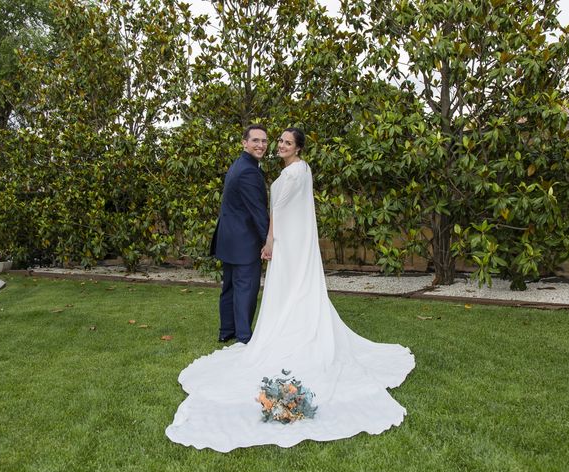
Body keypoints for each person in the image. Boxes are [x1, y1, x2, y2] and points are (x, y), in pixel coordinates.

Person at [167, 128, 415, 452]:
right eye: (276, 142)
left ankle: (248, 332)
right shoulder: (270, 171)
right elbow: (270, 212)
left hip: (290, 243)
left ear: (297, 148)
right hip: (280, 242)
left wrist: (269, 240)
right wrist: (270, 238)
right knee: (253, 289)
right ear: (247, 143)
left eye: (284, 142)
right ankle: (241, 331)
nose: (278, 146)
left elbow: (277, 212)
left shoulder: (297, 171)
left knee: (262, 289)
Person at [210, 124, 269, 344]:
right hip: (244, 241)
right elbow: (258, 212)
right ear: (244, 142)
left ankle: (226, 331)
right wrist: (268, 241)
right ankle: (244, 337)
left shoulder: (239, 165)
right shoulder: (249, 171)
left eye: (264, 141)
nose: (260, 145)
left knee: (231, 288)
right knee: (246, 288)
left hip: (229, 238)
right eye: (255, 140)